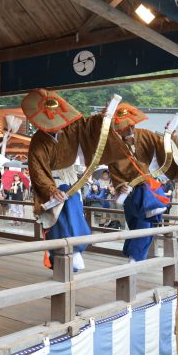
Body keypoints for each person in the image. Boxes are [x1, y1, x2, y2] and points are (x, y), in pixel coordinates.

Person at [24, 90, 127, 271]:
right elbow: (37, 169)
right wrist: (50, 190)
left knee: (74, 212)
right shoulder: (38, 141)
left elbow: (88, 126)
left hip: (71, 178)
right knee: (57, 220)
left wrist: (102, 118)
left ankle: (76, 250)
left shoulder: (71, 127)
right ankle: (63, 259)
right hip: (51, 182)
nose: (55, 126)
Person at [107, 103, 178, 262]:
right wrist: (119, 185)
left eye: (128, 125)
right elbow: (113, 167)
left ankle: (135, 258)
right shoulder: (114, 144)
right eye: (121, 127)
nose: (126, 129)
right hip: (128, 191)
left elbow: (164, 149)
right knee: (134, 223)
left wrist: (171, 137)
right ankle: (134, 255)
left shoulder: (146, 135)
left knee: (145, 223)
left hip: (147, 188)